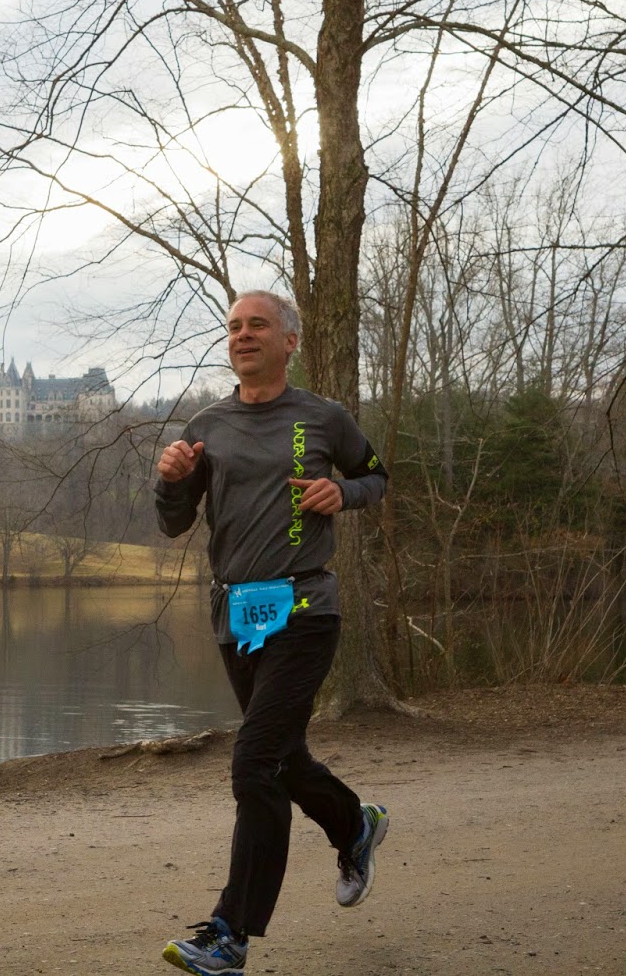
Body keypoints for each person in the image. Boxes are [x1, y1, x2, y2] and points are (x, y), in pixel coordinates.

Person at [154, 290, 391, 974]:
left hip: (306, 608)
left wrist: (341, 493)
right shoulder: (208, 424)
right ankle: (354, 825)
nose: (243, 334)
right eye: (233, 327)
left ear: (290, 341)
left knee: (253, 761)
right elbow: (174, 522)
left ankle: (230, 935)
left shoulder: (322, 418)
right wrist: (171, 482)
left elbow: (376, 476)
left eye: (257, 324)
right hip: (238, 618)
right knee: (280, 759)